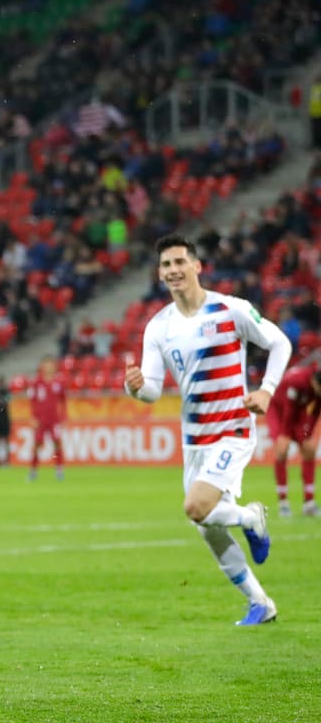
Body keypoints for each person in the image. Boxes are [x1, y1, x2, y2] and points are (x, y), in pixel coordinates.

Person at [125, 233, 291, 626]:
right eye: (166, 265)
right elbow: (152, 390)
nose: (173, 270)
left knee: (196, 508)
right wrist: (135, 388)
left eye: (180, 262)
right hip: (194, 439)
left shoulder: (230, 309)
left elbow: (280, 343)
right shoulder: (158, 327)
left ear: (197, 266)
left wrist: (266, 390)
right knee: (207, 527)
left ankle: (251, 517)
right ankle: (260, 604)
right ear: (160, 273)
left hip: (233, 429)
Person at [267, 364, 321, 517]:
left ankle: (309, 503)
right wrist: (284, 435)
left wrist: (308, 433)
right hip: (278, 411)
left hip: (298, 413)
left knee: (310, 450)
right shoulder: (297, 381)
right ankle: (283, 503)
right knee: (282, 451)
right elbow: (288, 408)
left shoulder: (317, 386)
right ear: (315, 383)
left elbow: (316, 411)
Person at [28, 356, 67, 481]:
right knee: (37, 444)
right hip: (40, 420)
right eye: (46, 365)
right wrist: (33, 417)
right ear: (42, 367)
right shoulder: (36, 383)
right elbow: (32, 401)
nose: (49, 367)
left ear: (54, 367)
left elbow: (63, 401)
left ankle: (59, 470)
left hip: (54, 420)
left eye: (51, 365)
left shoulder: (58, 383)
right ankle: (33, 471)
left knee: (57, 443)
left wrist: (64, 417)